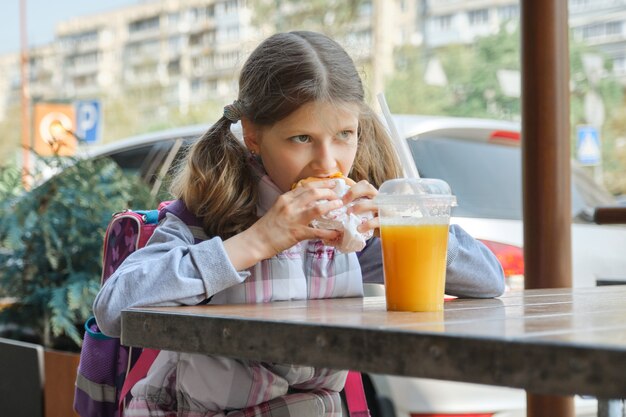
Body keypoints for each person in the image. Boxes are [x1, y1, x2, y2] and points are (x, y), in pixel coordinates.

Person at [94, 30, 504, 417]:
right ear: (253, 136)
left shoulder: (350, 234)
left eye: (344, 135)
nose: (328, 163)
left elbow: (489, 280)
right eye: (301, 139)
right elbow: (114, 307)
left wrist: (402, 223)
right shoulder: (209, 215)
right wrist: (259, 240)